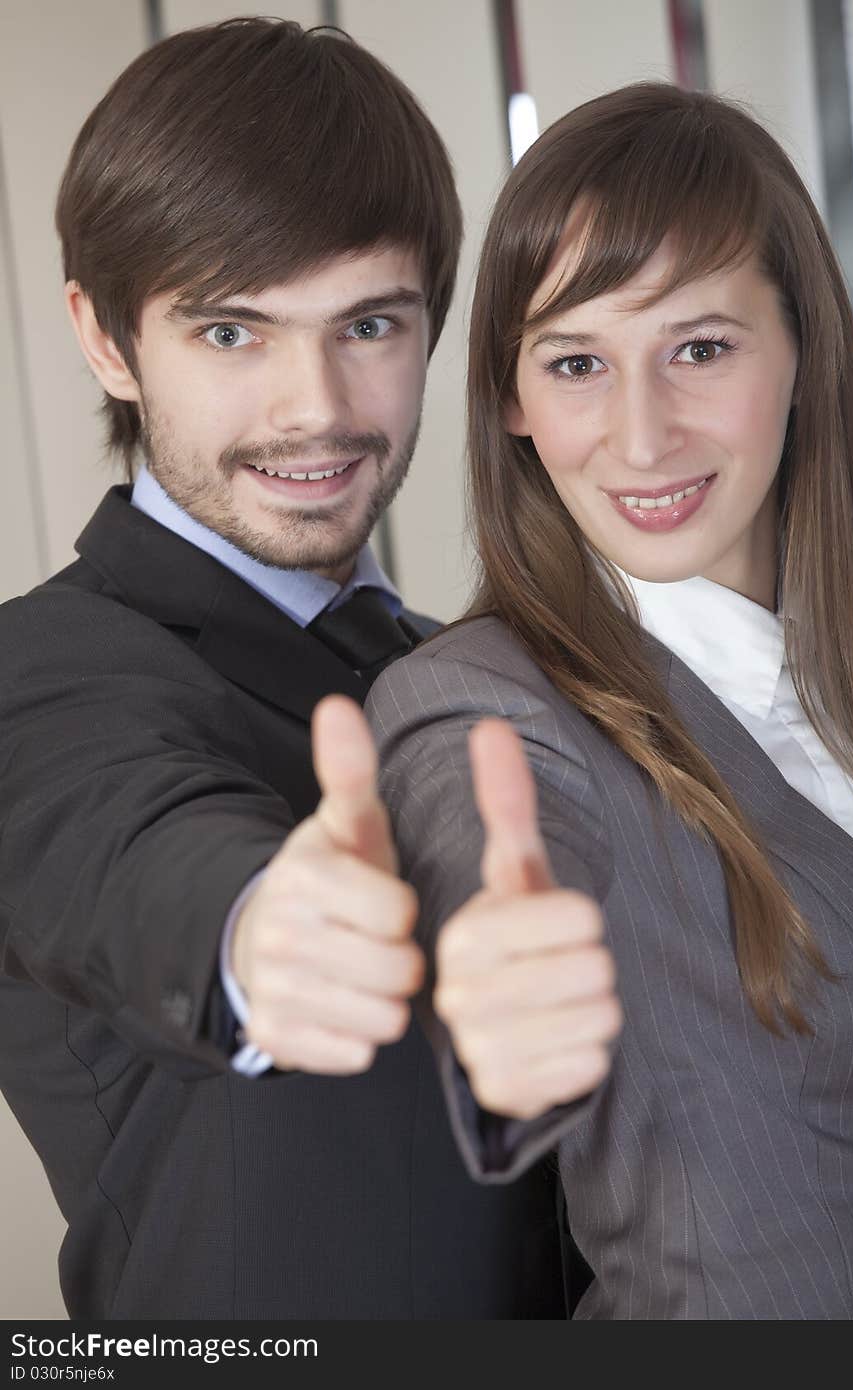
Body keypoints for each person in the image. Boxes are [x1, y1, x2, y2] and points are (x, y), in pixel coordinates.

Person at [0, 18, 570, 1320]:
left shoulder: (472, 674)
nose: (315, 404)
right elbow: (137, 847)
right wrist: (262, 930)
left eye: (368, 321)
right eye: (232, 332)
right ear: (106, 338)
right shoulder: (38, 669)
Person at [365, 82, 853, 1318]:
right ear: (511, 400)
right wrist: (495, 985)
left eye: (699, 347)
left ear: (802, 347)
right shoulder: (483, 709)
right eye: (578, 362)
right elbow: (489, 855)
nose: (641, 438)